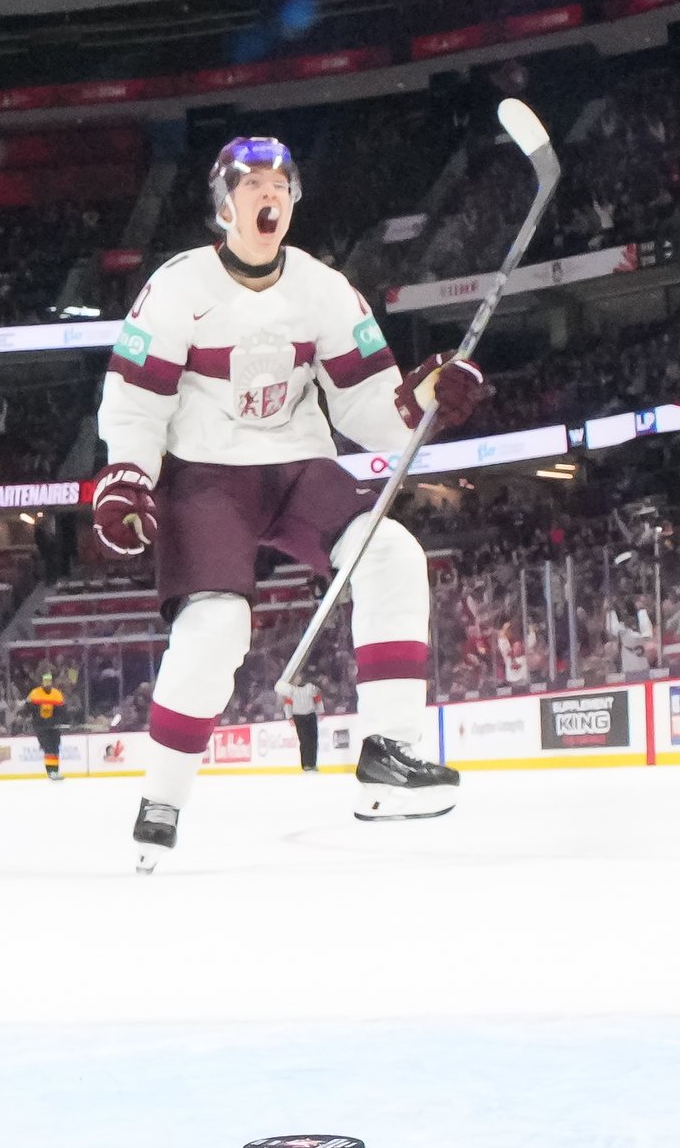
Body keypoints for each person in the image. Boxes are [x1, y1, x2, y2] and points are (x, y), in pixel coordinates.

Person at [91, 135, 487, 870]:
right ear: (224, 205)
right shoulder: (177, 287)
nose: (269, 196)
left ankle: (389, 754)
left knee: (391, 554)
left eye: (280, 186)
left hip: (299, 466)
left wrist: (429, 393)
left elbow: (370, 406)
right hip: (206, 476)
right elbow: (137, 402)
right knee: (216, 629)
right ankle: (163, 799)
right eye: (253, 186)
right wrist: (128, 477)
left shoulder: (324, 289)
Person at [23, 669, 66, 781]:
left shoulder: (57, 694)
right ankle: (51, 772)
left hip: (53, 726)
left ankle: (55, 771)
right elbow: (27, 708)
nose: (47, 683)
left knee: (55, 748)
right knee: (48, 748)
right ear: (42, 682)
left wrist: (58, 722)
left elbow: (62, 711)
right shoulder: (35, 693)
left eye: (49, 681)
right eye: (45, 681)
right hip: (41, 726)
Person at [283, 674, 322, 772]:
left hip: (310, 715)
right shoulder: (291, 690)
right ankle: (305, 764)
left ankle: (312, 764)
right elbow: (288, 704)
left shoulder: (310, 687)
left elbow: (317, 698)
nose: (298, 679)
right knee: (304, 741)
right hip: (299, 717)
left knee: (313, 740)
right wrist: (289, 717)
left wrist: (320, 711)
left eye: (299, 677)